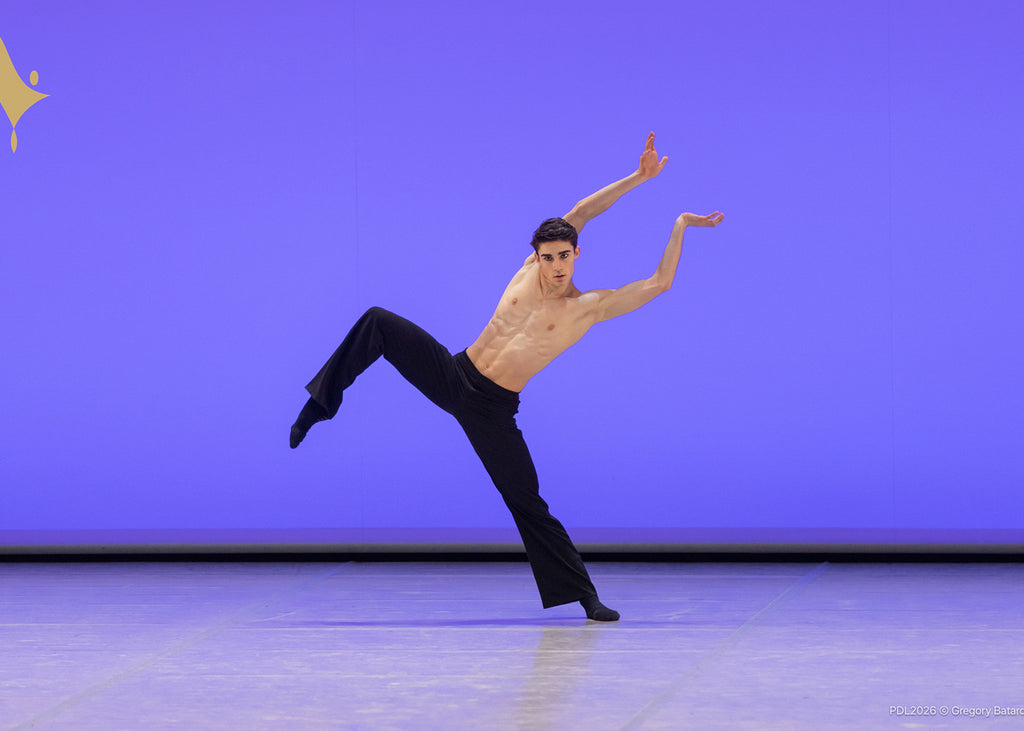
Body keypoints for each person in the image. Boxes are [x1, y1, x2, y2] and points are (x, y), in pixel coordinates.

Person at [291, 132, 724, 621]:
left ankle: (585, 597)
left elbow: (659, 283)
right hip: (454, 373)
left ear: (576, 256)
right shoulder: (524, 274)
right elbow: (582, 209)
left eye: (565, 256)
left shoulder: (588, 309)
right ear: (535, 255)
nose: (556, 266)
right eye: (548, 256)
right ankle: (319, 404)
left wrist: (681, 224)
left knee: (527, 502)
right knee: (377, 321)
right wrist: (638, 178)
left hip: (493, 408)